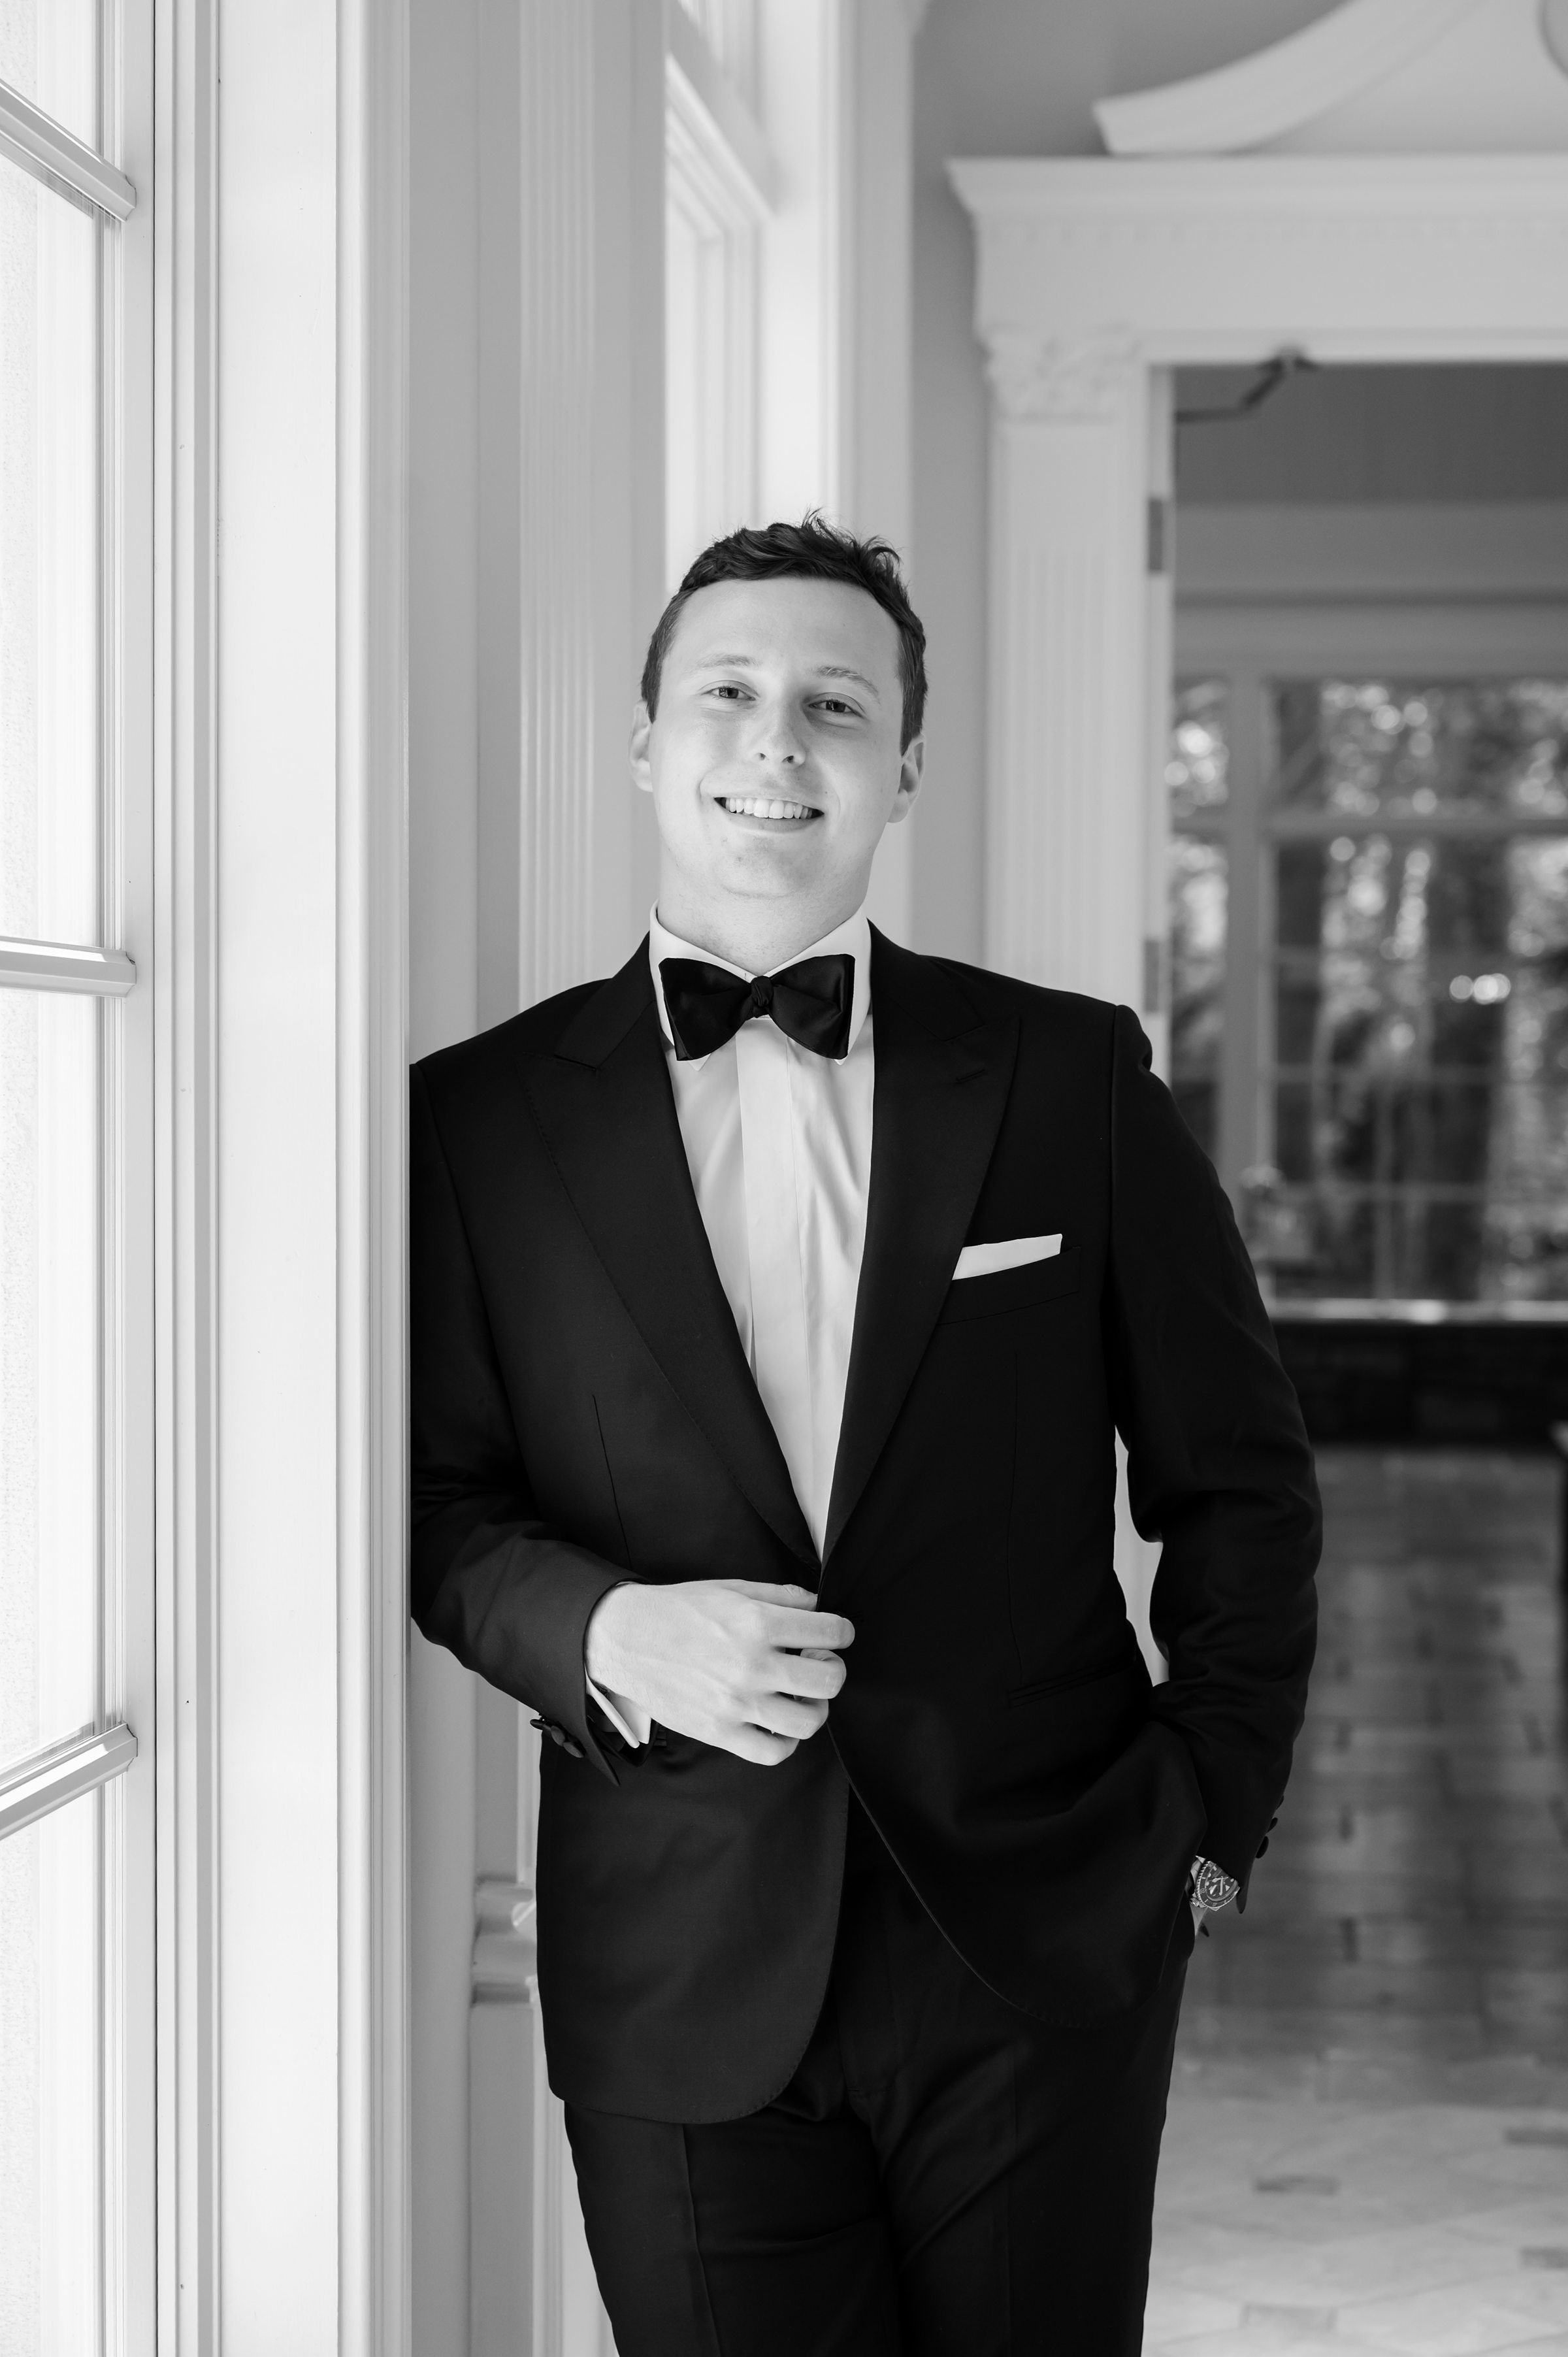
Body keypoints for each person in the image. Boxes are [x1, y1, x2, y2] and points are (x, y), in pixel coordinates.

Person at [410, 516, 1320, 2355]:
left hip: (1042, 1935)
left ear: (902, 762)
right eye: (729, 693)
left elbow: (1242, 1481)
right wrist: (600, 1630)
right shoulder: (476, 1120)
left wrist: (1211, 1807)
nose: (776, 743)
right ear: (648, 738)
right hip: (677, 1944)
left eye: (836, 703)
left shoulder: (1071, 1080)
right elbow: (434, 1508)